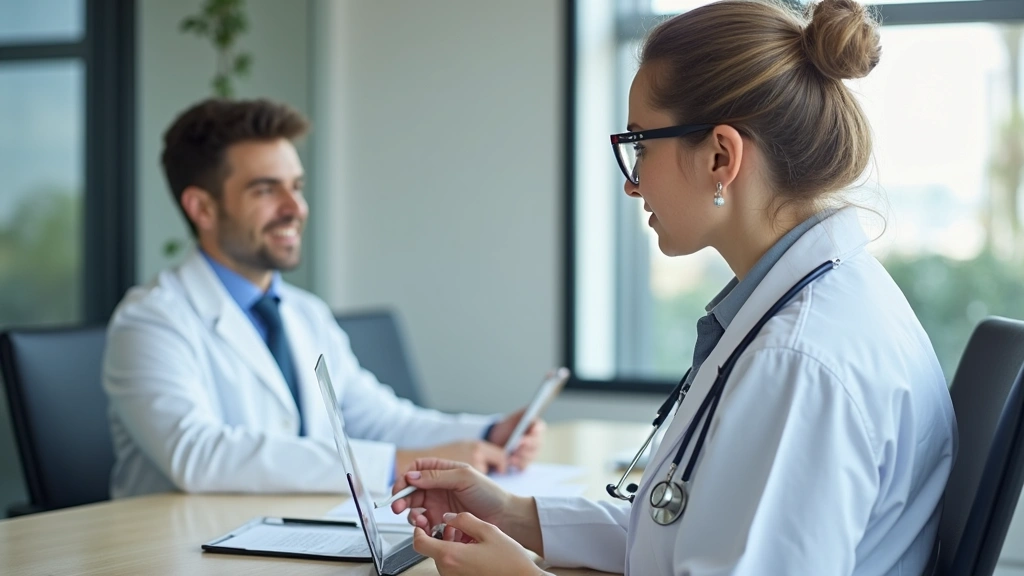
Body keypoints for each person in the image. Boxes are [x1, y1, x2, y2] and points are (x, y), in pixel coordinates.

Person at [390, 0, 957, 574]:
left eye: (641, 146)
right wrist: (515, 515)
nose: (633, 185)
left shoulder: (802, 360)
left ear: (719, 156)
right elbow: (689, 531)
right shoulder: (819, 305)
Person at [103, 98, 544, 499]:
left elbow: (377, 419)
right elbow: (198, 455)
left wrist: (489, 430)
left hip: (294, 537)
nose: (295, 207)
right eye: (265, 190)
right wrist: (395, 464)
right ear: (202, 208)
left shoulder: (304, 313)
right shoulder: (151, 320)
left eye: (296, 186)